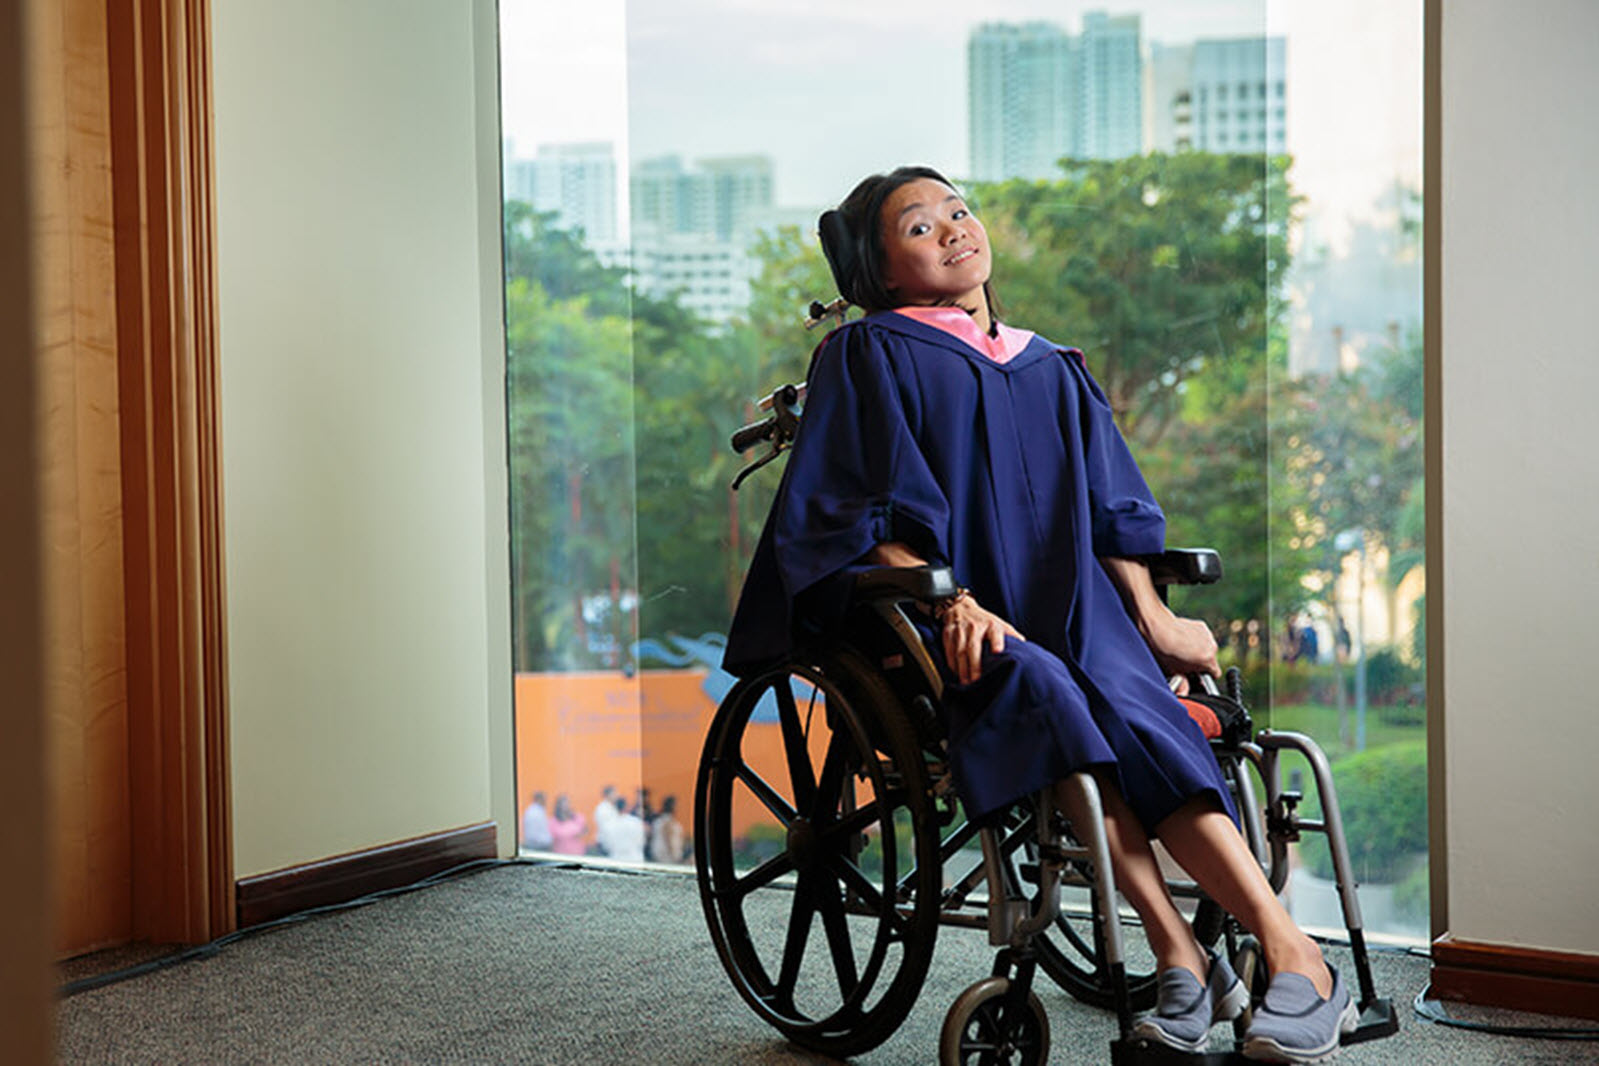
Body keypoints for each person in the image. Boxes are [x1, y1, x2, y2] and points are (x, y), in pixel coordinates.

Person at [723, 166, 1356, 1063]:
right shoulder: (872, 355)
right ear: (880, 269)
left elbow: (1110, 512)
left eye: (958, 211)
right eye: (917, 228)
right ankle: (1181, 952)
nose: (951, 230)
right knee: (1043, 687)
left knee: (1134, 709)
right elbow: (854, 516)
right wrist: (953, 601)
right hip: (956, 625)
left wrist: (1153, 618)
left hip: (1081, 608)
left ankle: (1285, 951)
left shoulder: (1051, 364)